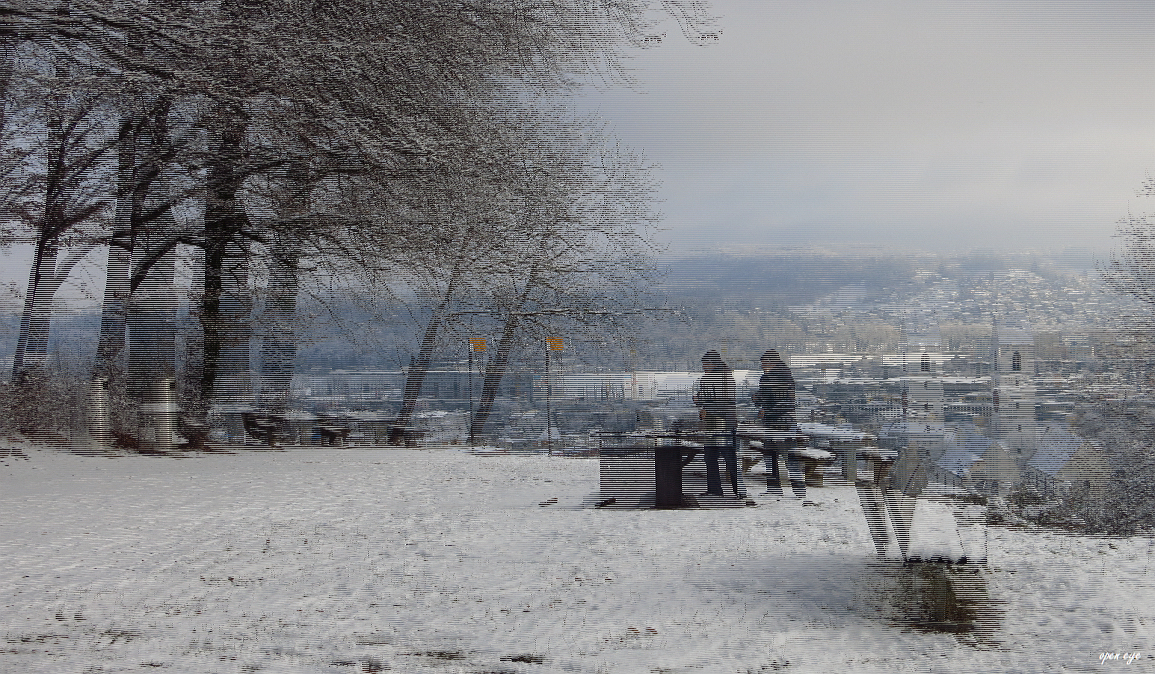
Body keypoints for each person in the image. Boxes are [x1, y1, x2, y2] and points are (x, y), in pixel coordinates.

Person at [752, 349, 805, 498]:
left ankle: (798, 490)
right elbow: (769, 399)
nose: (762, 366)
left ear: (772, 362)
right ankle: (775, 489)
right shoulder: (767, 378)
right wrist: (757, 399)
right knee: (771, 456)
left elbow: (786, 403)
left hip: (783, 423)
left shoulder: (782, 378)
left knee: (788, 456)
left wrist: (766, 411)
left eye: (764, 363)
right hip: (772, 422)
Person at [693, 350, 743, 498]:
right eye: (703, 363)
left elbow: (727, 403)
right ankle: (714, 490)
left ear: (714, 363)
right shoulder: (706, 379)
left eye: (706, 363)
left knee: (729, 457)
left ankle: (739, 490)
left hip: (724, 423)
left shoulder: (725, 378)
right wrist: (698, 400)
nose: (703, 366)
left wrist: (708, 410)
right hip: (711, 424)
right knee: (710, 457)